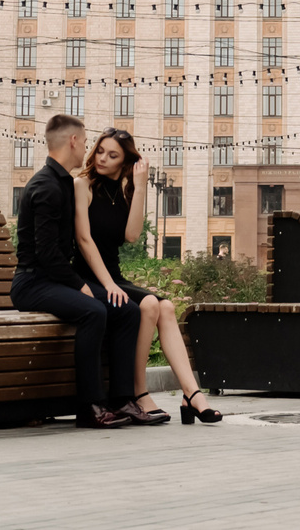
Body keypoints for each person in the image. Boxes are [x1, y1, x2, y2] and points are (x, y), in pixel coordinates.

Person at [74, 128, 220, 425]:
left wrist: (140, 186)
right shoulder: (83, 185)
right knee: (151, 304)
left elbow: (131, 235)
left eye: (113, 155)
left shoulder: (126, 192)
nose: (103, 158)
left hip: (113, 275)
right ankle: (139, 393)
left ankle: (191, 392)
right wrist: (109, 284)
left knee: (164, 306)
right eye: (100, 151)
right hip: (85, 276)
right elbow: (83, 240)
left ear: (125, 162)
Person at [10, 114, 144, 429]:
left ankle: (123, 399)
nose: (87, 148)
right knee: (93, 311)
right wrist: (79, 286)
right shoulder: (46, 186)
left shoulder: (65, 183)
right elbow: (46, 253)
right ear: (73, 141)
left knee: (128, 311)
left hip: (53, 280)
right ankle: (89, 407)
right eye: (85, 142)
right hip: (32, 283)